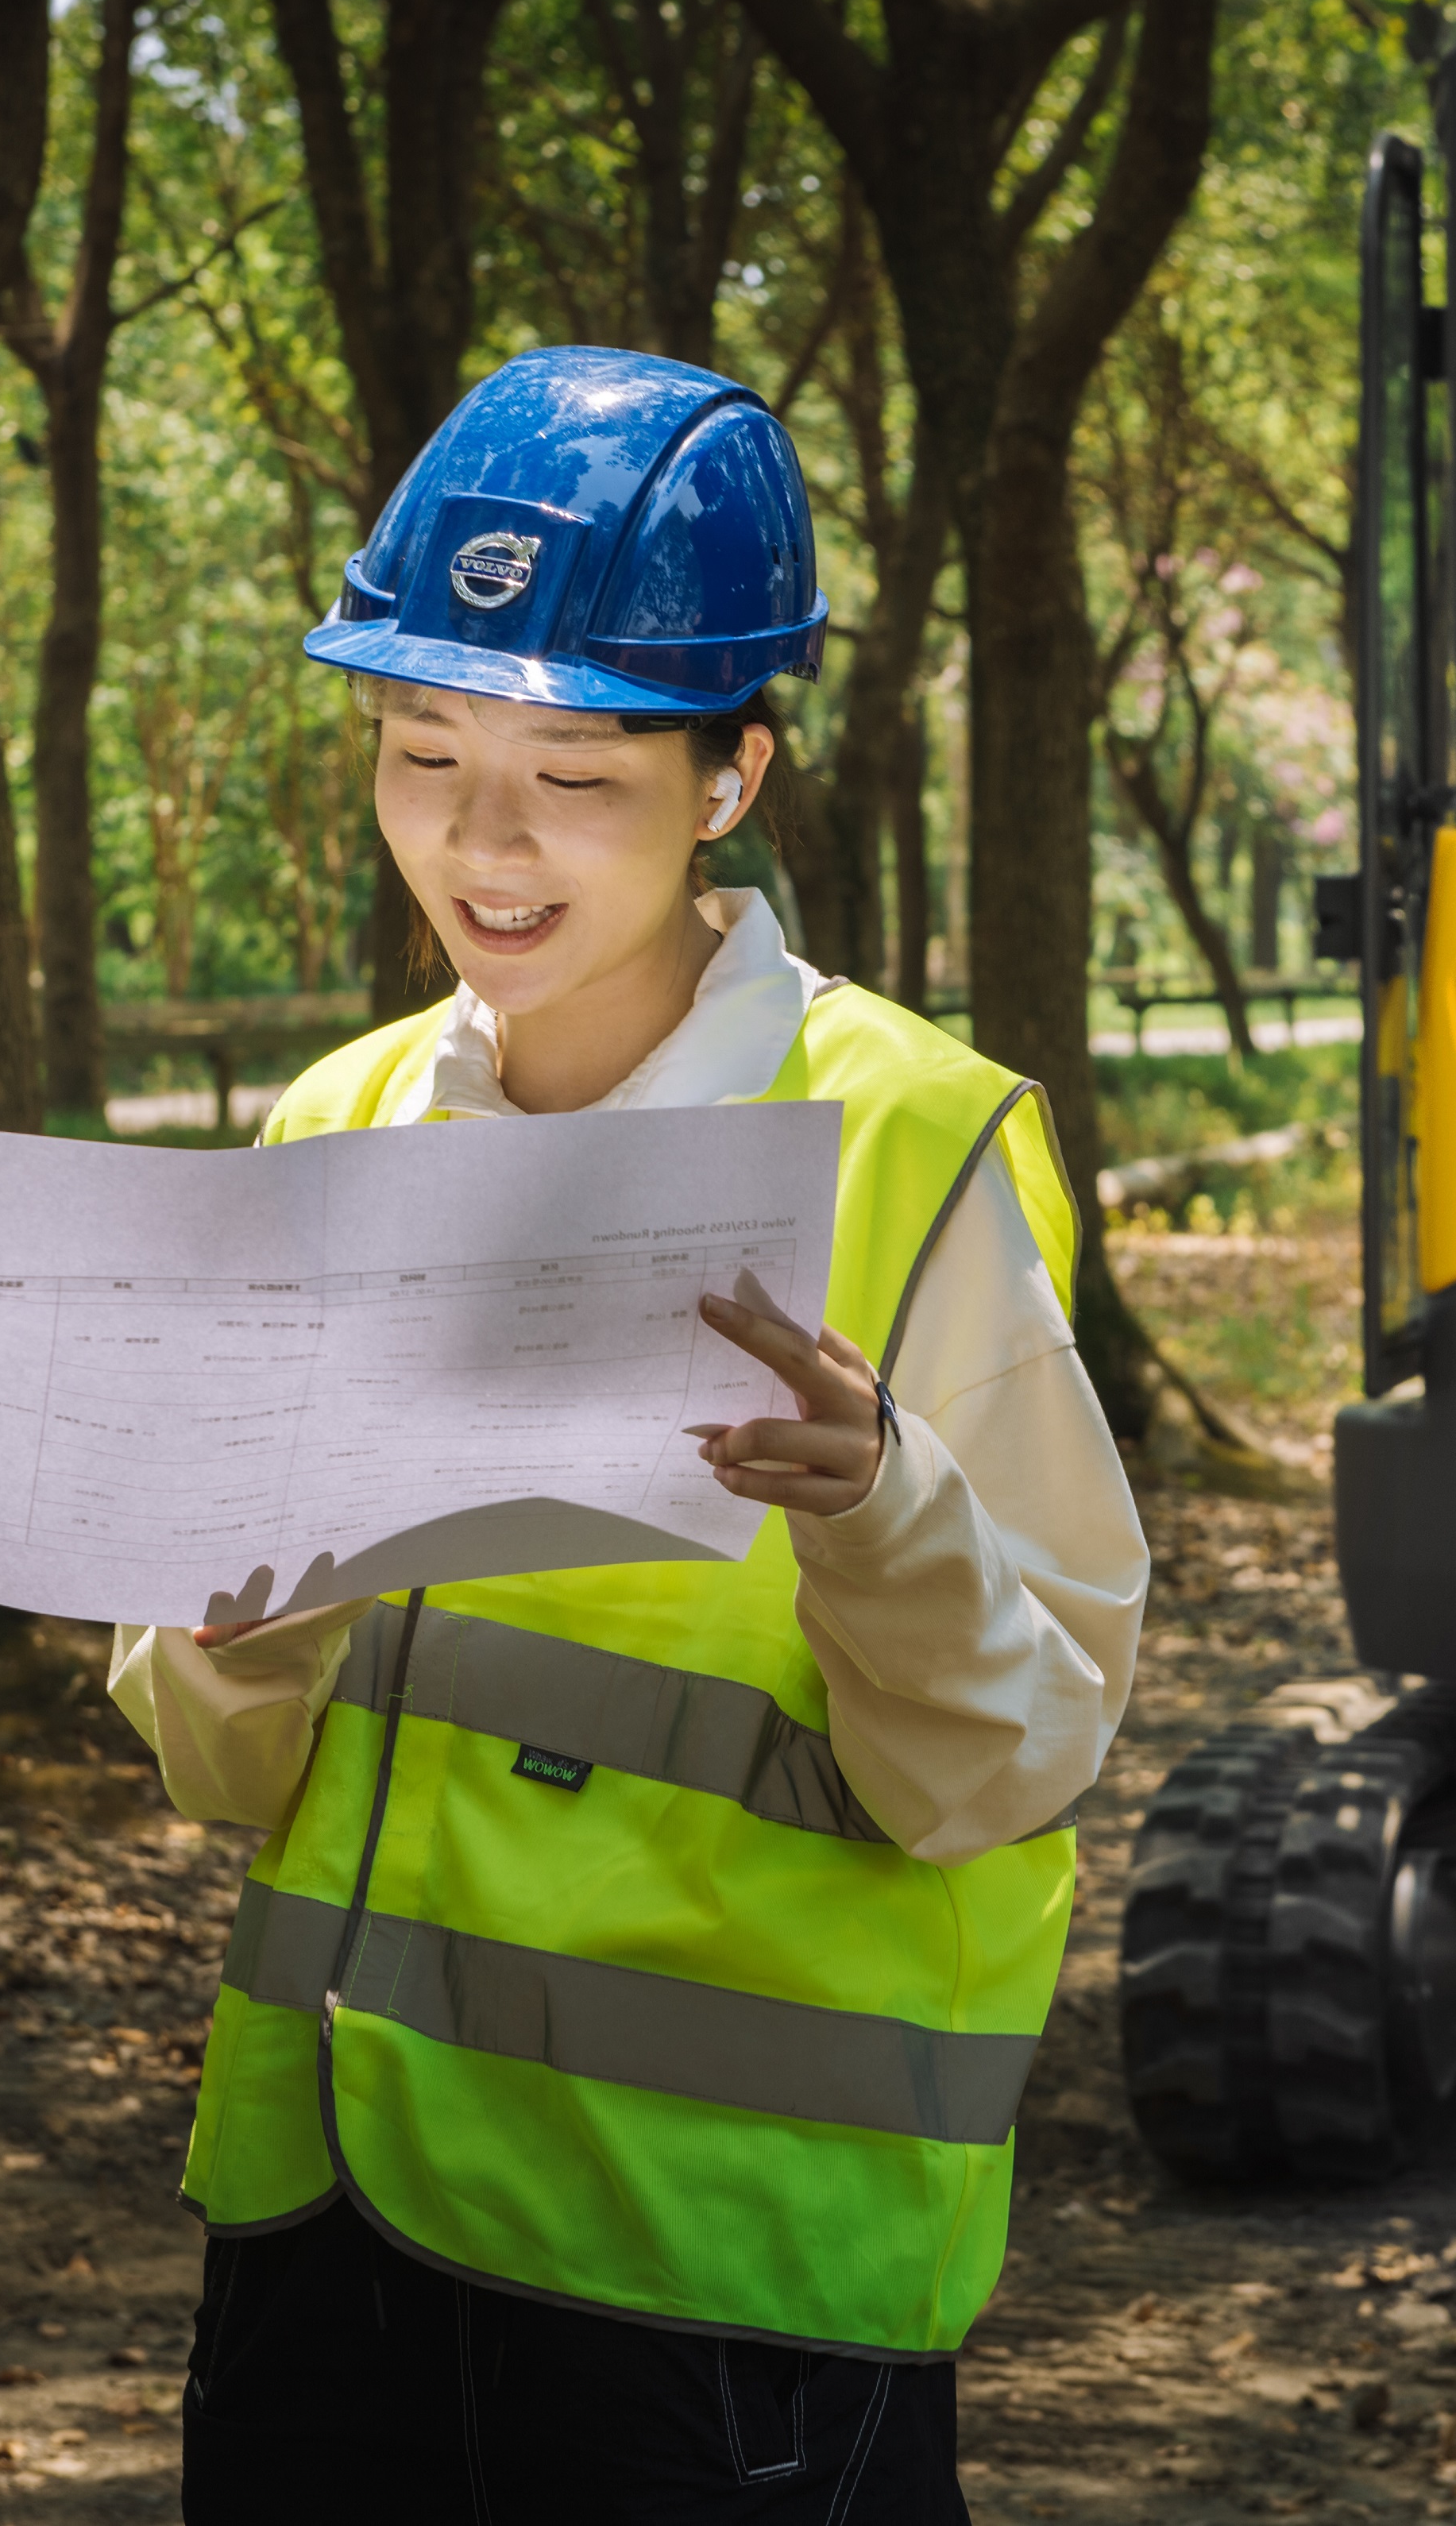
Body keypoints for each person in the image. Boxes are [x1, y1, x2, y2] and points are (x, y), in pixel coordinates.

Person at [110, 347, 1153, 2518]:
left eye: (576, 775)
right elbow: (218, 1761)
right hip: (328, 2235)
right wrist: (237, 1600)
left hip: (724, 2280)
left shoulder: (909, 1146)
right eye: (423, 754)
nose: (483, 844)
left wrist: (880, 1505)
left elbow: (1018, 1753)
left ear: (733, 775)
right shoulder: (334, 1127)